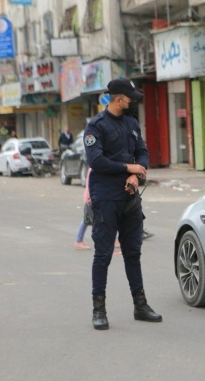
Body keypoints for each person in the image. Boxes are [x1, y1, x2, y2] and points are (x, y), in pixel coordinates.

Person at [84, 78, 162, 330]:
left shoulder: (131, 122)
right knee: (103, 255)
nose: (133, 101)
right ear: (118, 99)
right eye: (130, 98)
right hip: (106, 199)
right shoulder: (96, 126)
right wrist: (128, 167)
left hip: (130, 198)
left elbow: (143, 152)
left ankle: (140, 305)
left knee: (133, 253)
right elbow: (96, 161)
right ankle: (99, 310)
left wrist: (135, 174)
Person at [75, 168, 92, 250]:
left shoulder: (93, 167)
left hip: (91, 197)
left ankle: (79, 240)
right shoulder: (94, 168)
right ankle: (78, 241)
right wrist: (90, 197)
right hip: (91, 198)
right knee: (86, 220)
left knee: (87, 219)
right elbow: (90, 184)